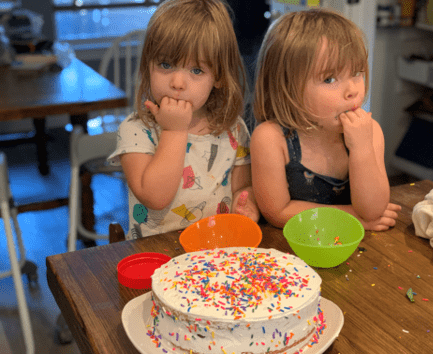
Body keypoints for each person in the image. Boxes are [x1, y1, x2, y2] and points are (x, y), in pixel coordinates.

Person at [108, 0, 259, 239]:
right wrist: (174, 131)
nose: (177, 82)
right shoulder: (136, 130)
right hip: (156, 256)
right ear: (149, 66)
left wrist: (247, 205)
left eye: (196, 70)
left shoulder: (234, 129)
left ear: (218, 77)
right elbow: (156, 197)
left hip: (216, 252)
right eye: (165, 64)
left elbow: (242, 188)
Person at [250, 8, 401, 231]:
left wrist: (362, 149)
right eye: (330, 79)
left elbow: (373, 210)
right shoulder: (271, 139)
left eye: (357, 72)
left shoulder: (370, 132)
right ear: (286, 88)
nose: (352, 90)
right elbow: (277, 212)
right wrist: (353, 218)